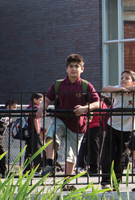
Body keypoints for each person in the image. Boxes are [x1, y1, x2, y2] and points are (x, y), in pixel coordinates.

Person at [37, 54, 101, 183]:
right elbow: (47, 98)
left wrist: (84, 108)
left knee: (71, 155)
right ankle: (49, 164)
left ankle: (67, 182)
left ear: (82, 69)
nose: (74, 69)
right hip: (61, 118)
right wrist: (41, 107)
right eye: (71, 66)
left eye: (77, 66)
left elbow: (97, 102)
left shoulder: (86, 86)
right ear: (66, 68)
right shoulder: (58, 84)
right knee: (51, 134)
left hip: (78, 124)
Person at [100, 70, 135, 190]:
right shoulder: (117, 89)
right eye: (122, 78)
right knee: (108, 154)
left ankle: (116, 182)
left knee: (121, 156)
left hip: (127, 128)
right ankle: (105, 181)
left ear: (133, 82)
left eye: (127, 78)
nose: (123, 80)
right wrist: (121, 89)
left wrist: (127, 90)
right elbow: (105, 89)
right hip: (113, 125)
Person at [24, 93, 45, 173]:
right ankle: (37, 169)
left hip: (28, 132)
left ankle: (27, 169)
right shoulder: (36, 107)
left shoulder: (28, 107)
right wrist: (38, 132)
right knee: (38, 150)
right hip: (34, 131)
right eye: (40, 100)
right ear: (34, 99)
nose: (41, 102)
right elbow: (35, 120)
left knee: (28, 151)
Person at [0, 99, 16, 178]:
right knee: (1, 154)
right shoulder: (0, 112)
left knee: (0, 154)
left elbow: (10, 124)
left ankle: (2, 171)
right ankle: (3, 171)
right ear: (8, 106)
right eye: (14, 107)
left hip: (1, 138)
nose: (15, 109)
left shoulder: (9, 116)